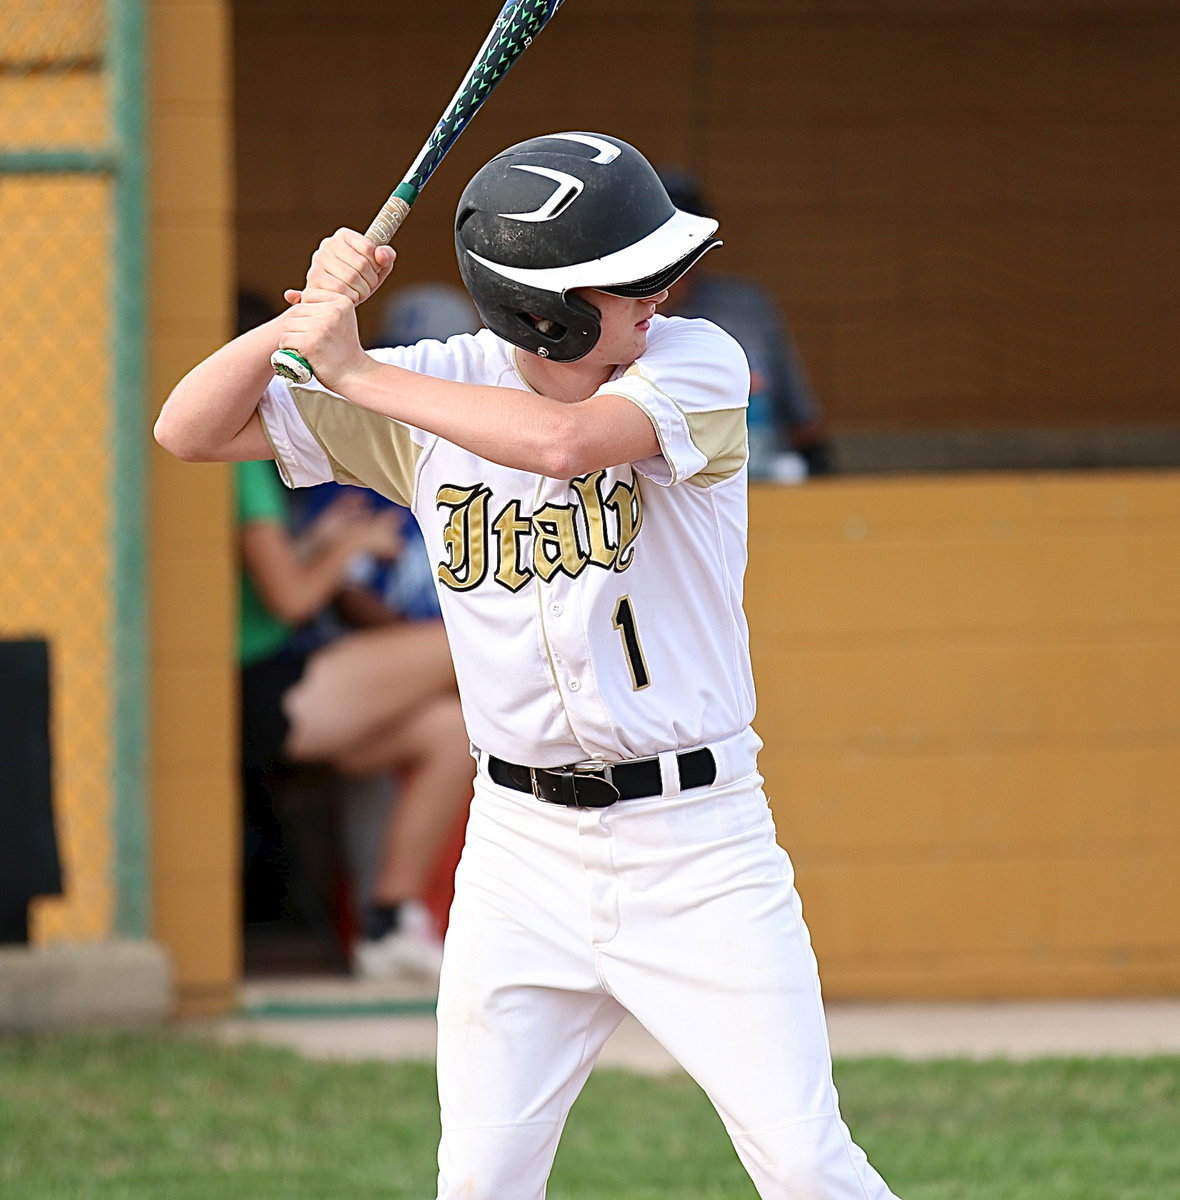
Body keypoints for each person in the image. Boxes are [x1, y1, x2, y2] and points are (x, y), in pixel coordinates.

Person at [157, 132, 899, 1199]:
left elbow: (562, 445)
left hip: (697, 847)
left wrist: (356, 371)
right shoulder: (429, 390)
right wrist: (305, 319)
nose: (660, 288)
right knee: (483, 1179)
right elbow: (188, 429)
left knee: (802, 1162)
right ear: (540, 309)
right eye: (627, 276)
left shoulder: (693, 362)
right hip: (520, 855)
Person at [237, 429, 473, 983]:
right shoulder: (232, 460)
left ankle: (390, 925)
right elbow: (290, 601)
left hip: (289, 680)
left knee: (451, 731)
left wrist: (319, 540)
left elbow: (266, 575)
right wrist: (350, 547)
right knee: (466, 644)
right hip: (258, 686)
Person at [658, 166, 836, 478]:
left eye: (689, 233)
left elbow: (803, 420)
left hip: (759, 477)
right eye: (662, 235)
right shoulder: (612, 315)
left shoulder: (745, 306)